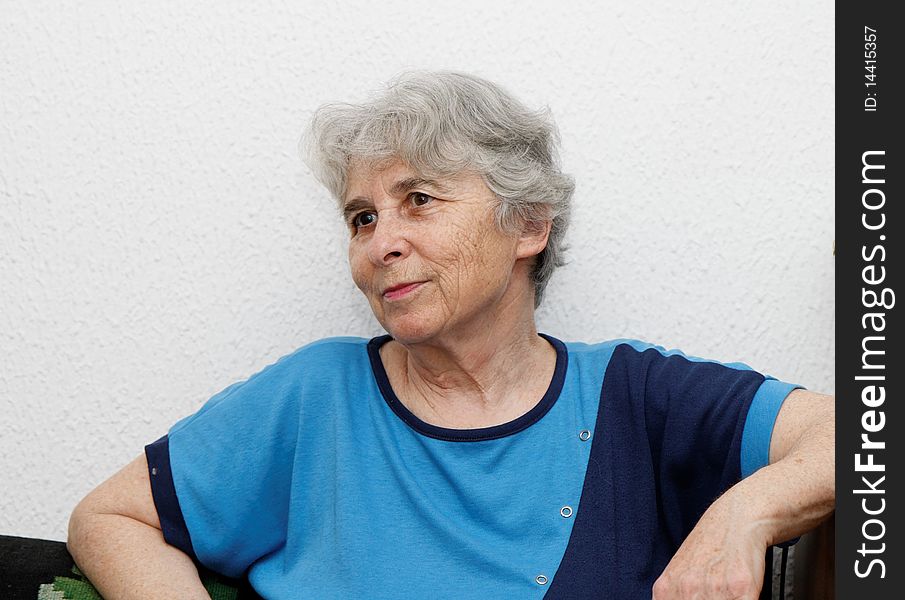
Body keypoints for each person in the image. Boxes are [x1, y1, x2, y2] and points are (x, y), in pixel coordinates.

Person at [67, 71, 835, 600]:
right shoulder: (313, 396)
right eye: (362, 217)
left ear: (528, 224)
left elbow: (865, 434)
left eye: (419, 200)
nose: (380, 243)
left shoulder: (637, 397)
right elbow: (108, 517)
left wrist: (746, 512)